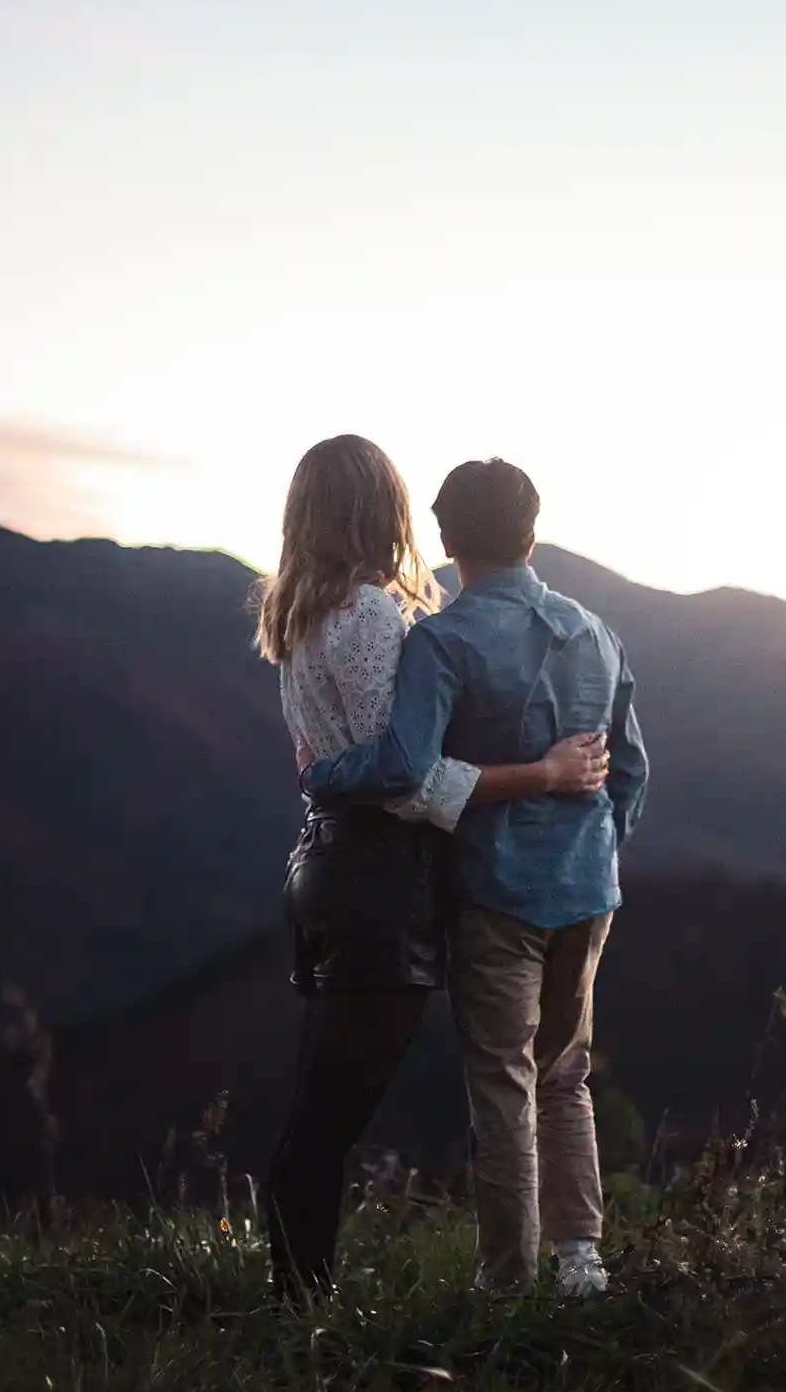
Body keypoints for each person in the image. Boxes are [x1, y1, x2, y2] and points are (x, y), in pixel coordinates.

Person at [255, 436, 608, 1294]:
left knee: (321, 1106)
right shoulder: (373, 616)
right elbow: (408, 779)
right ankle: (304, 1307)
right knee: (333, 1115)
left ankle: (299, 1298)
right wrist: (545, 774)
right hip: (378, 879)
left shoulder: (298, 614)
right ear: (385, 512)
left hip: (325, 869)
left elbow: (351, 762)